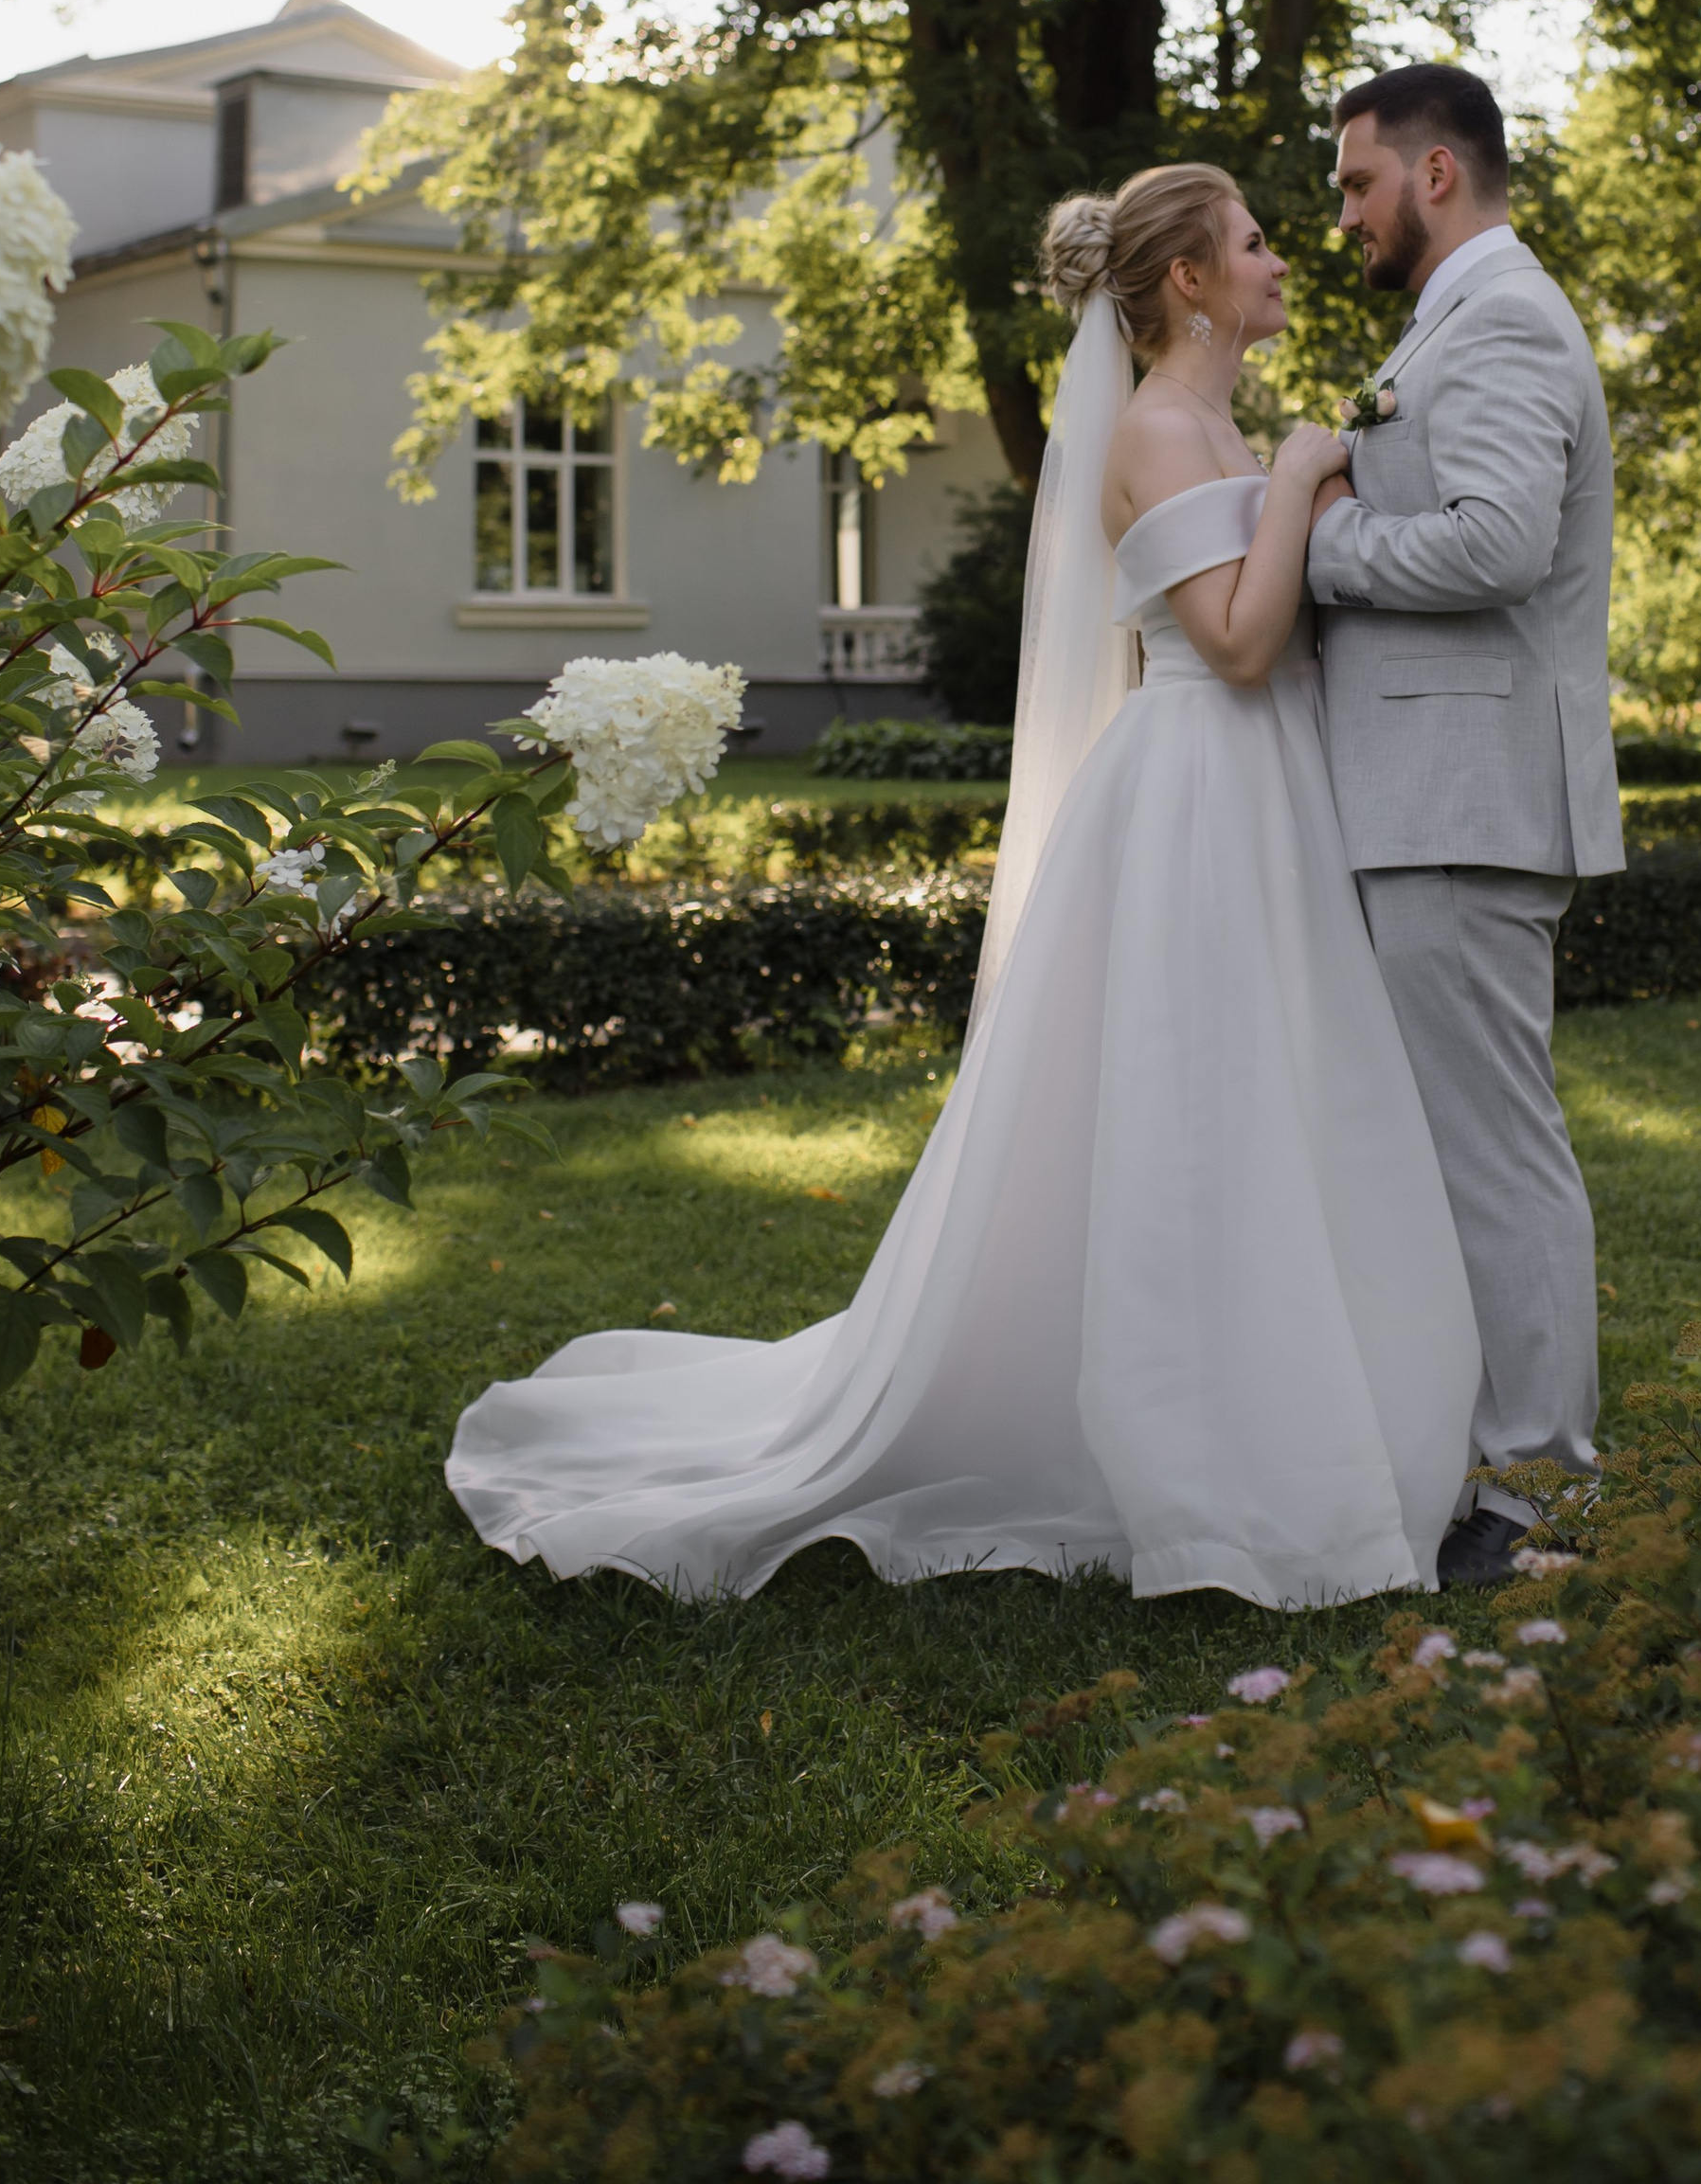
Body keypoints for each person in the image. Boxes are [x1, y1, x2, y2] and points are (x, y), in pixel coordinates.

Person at [445, 164, 1481, 1607]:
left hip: (1258, 791)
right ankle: (1197, 1450)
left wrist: (1304, 475)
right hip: (1200, 787)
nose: (1281, 263)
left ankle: (1286, 1391)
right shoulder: (1164, 430)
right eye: (1254, 244)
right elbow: (1238, 646)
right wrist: (1306, 478)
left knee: (1271, 1098)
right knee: (1194, 1107)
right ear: (1188, 280)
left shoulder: (1216, 421)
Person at [1308, 63, 1621, 1588]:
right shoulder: (1457, 319)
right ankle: (1482, 1453)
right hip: (1433, 794)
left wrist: (1320, 546)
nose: (1344, 217)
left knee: (1495, 1151)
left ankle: (1542, 1484)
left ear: (1437, 174)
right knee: (1456, 1148)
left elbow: (1498, 541)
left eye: (1358, 185)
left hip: (1467, 795)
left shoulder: (1500, 316)